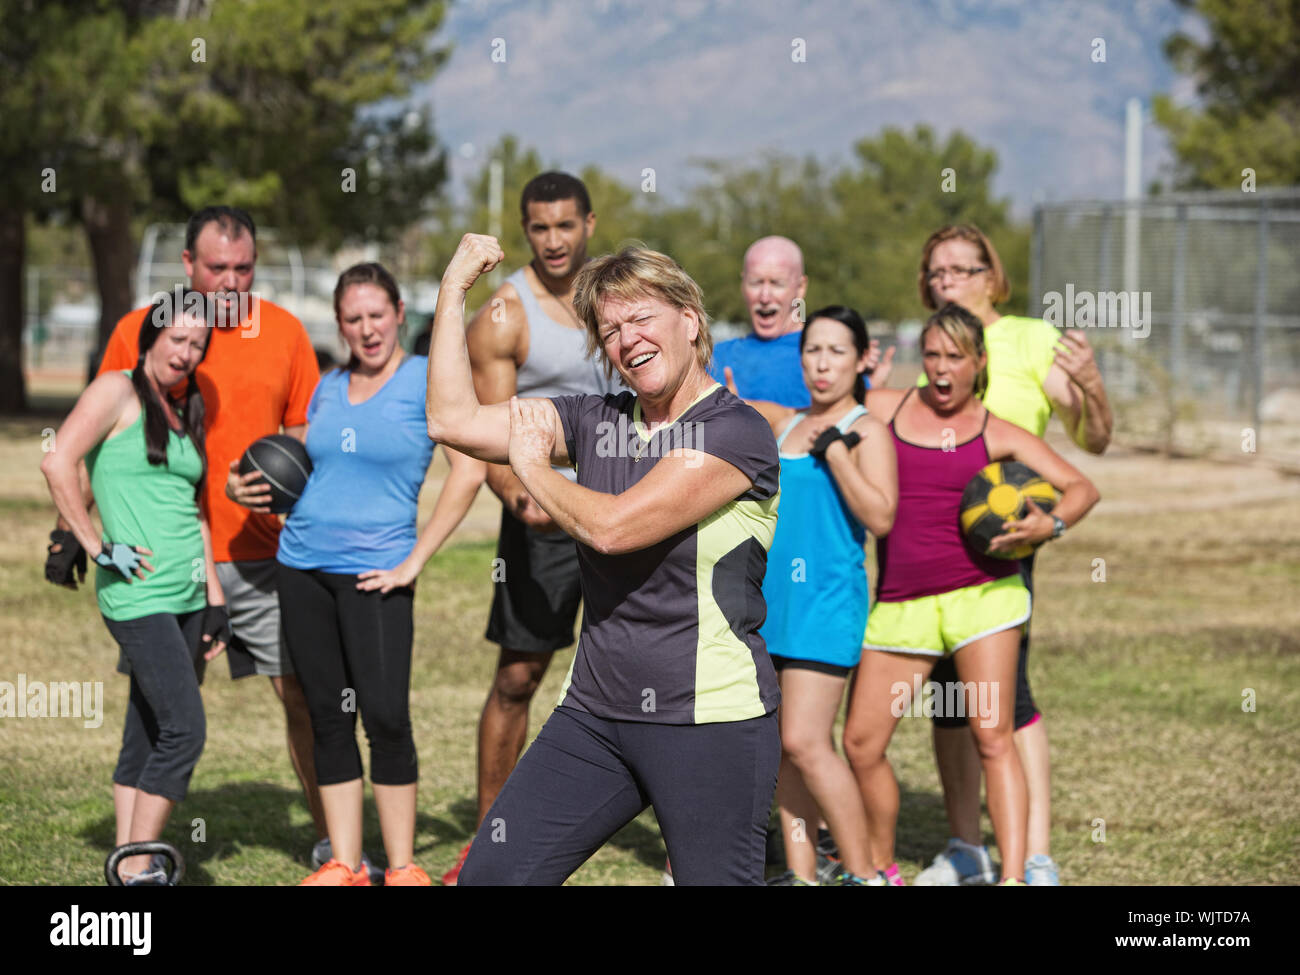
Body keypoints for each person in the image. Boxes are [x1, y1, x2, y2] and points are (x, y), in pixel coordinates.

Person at [428, 236, 782, 885]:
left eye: (641, 317)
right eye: (610, 328)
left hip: (711, 721)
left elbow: (614, 528)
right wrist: (453, 288)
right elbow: (451, 420)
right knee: (493, 876)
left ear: (690, 319)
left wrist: (531, 464)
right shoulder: (593, 418)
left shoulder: (736, 431)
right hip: (595, 715)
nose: (626, 339)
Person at [44, 206, 333, 868]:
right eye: (216, 268)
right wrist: (73, 532)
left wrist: (269, 471)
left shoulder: (285, 332)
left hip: (260, 555)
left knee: (301, 699)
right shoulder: (140, 330)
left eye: (244, 267)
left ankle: (329, 839)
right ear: (186, 266)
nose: (232, 282)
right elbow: (103, 432)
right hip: (161, 562)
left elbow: (304, 431)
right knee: (164, 712)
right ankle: (136, 857)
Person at [242, 263, 484, 886]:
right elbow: (292, 466)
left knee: (384, 717)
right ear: (341, 323)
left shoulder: (424, 383)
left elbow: (469, 472)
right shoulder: (325, 388)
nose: (366, 329)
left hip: (378, 575)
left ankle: (402, 865)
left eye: (377, 315)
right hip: (300, 567)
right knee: (327, 715)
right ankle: (345, 862)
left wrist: (414, 560)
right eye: (353, 318)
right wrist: (245, 486)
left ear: (400, 312)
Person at [846, 303, 1099, 885]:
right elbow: (822, 413)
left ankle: (1011, 877)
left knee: (991, 736)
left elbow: (1082, 486)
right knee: (861, 743)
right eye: (931, 354)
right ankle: (881, 870)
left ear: (978, 362)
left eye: (954, 357)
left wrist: (1051, 525)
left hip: (985, 598)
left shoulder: (998, 430)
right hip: (902, 602)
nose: (940, 368)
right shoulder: (887, 407)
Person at [912, 224, 1113, 886]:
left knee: (1009, 693)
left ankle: (1033, 855)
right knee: (947, 691)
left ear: (992, 275)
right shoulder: (936, 350)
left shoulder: (1030, 338)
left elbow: (1094, 438)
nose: (949, 282)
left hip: (1007, 540)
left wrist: (1092, 385)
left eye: (962, 270)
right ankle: (966, 845)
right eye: (937, 273)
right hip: (935, 541)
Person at [440, 172, 619, 885]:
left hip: (622, 511)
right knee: (518, 677)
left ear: (589, 225)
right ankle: (491, 841)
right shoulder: (505, 314)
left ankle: (686, 841)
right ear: (526, 231)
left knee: (653, 672)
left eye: (564, 225)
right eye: (539, 227)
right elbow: (486, 430)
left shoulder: (615, 300)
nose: (553, 240)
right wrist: (522, 496)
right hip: (542, 520)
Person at [41, 293, 229, 884]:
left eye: (198, 345)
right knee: (185, 729)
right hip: (137, 594)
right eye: (177, 339)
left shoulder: (182, 407)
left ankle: (126, 870)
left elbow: (193, 510)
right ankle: (144, 865)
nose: (187, 353)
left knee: (147, 729)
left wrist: (216, 599)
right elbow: (57, 461)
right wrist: (95, 546)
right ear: (151, 337)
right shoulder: (115, 390)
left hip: (189, 595)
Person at [727, 306, 897, 885]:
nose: (822, 364)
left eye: (836, 352)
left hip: (827, 608)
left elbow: (881, 515)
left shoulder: (865, 428)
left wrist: (839, 455)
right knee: (782, 749)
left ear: (861, 359)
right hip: (772, 609)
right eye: (813, 351)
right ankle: (802, 874)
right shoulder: (783, 423)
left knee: (806, 740)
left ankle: (865, 873)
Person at [709, 236, 895, 406]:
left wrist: (871, 389)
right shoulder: (713, 358)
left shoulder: (828, 356)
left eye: (776, 283)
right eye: (756, 282)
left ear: (800, 287)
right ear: (743, 284)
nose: (765, 296)